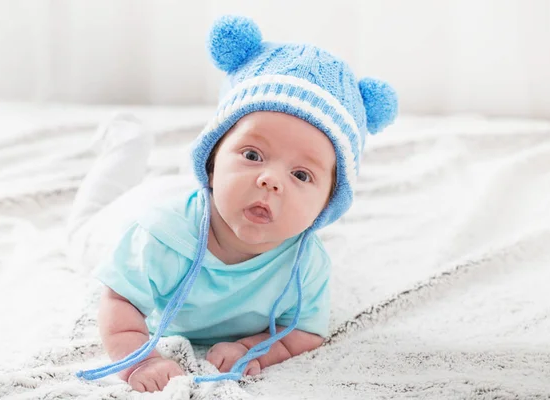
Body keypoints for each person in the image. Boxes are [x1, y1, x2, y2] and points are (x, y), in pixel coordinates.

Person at [71, 15, 398, 393]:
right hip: (129, 214)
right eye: (253, 154)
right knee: (84, 222)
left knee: (219, 189)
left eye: (302, 175)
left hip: (217, 195)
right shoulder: (157, 236)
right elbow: (119, 302)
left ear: (326, 206)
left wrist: (250, 349)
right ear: (211, 161)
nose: (270, 179)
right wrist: (142, 362)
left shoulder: (307, 265)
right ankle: (126, 143)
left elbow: (305, 332)